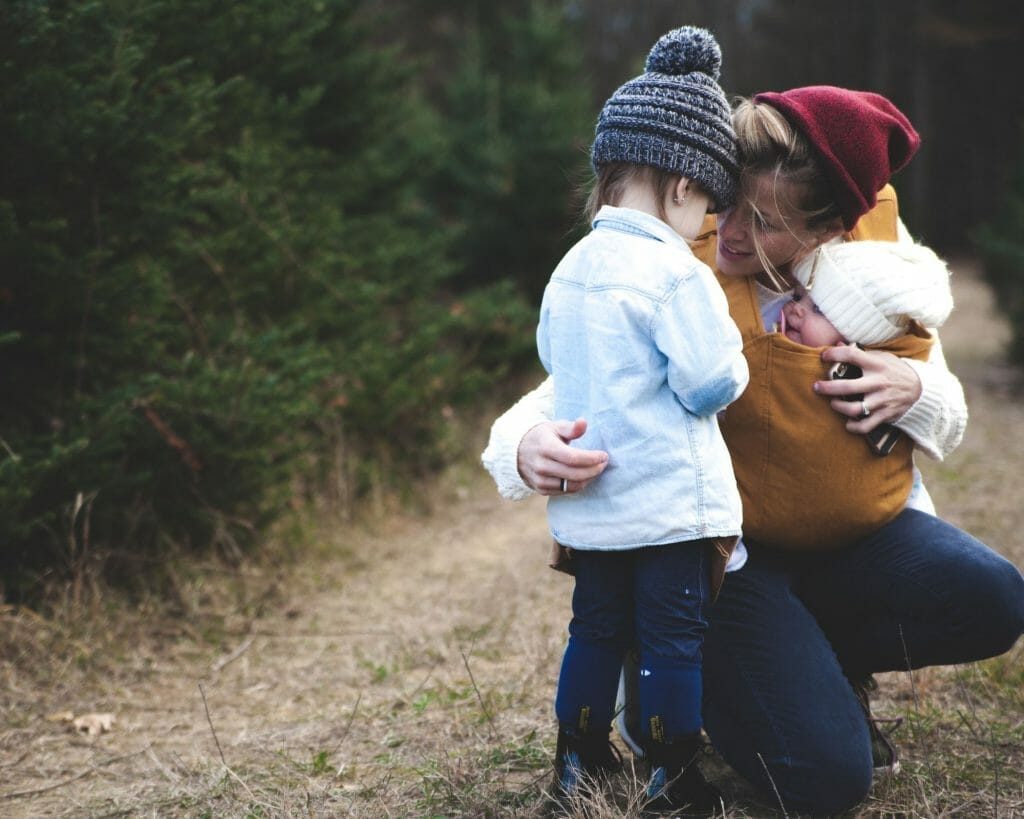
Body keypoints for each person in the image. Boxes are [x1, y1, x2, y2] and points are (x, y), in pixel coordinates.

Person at [482, 85, 1024, 815]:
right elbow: (576, 380)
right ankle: (692, 663)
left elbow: (948, 413)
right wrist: (522, 445)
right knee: (826, 780)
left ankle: (817, 664)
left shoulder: (874, 274)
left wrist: (915, 387)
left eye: (764, 222)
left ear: (829, 227)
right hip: (729, 558)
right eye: (727, 201)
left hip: (855, 539)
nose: (729, 229)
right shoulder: (680, 264)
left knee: (994, 599)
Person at [537, 26, 746, 815]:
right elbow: (708, 382)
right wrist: (733, 355)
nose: (706, 227)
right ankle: (670, 772)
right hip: (667, 506)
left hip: (592, 507)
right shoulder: (673, 271)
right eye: (709, 207)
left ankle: (577, 760)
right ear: (683, 186)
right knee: (669, 640)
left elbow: (555, 358)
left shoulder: (571, 266)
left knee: (593, 629)